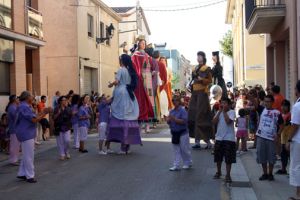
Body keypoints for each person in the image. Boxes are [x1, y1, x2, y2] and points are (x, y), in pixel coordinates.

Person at [107, 54, 141, 154]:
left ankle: (123, 147)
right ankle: (127, 147)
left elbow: (117, 82)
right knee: (128, 117)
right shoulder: (131, 71)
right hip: (129, 93)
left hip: (121, 93)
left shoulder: (121, 70)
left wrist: (110, 84)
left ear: (121, 61)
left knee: (120, 118)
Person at [15, 91, 51, 183]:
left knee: (26, 155)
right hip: (26, 133)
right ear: (27, 98)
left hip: (26, 132)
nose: (33, 98)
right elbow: (34, 119)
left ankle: (22, 173)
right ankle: (30, 176)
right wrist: (44, 113)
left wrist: (43, 112)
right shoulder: (24, 107)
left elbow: (35, 116)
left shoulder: (25, 106)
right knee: (29, 156)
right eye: (32, 96)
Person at [188, 51, 213, 149]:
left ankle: (208, 141)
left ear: (203, 57)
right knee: (192, 115)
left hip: (202, 94)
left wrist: (200, 79)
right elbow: (193, 80)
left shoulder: (207, 68)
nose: (198, 58)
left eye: (200, 56)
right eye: (197, 56)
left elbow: (210, 80)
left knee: (201, 116)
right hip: (194, 94)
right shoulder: (195, 68)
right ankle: (197, 142)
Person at [256, 95, 282, 181]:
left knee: (271, 156)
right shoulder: (262, 110)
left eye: (268, 101)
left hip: (271, 138)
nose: (266, 103)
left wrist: (277, 135)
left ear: (272, 102)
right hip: (261, 136)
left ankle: (270, 173)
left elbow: (281, 125)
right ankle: (265, 173)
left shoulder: (277, 112)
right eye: (265, 101)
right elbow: (255, 104)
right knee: (261, 155)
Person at [131, 38, 154, 132]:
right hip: (140, 79)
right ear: (138, 44)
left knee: (149, 101)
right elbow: (134, 66)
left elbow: (151, 66)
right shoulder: (135, 54)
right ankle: (140, 124)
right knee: (140, 101)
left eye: (144, 43)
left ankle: (147, 125)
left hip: (147, 78)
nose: (143, 44)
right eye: (141, 43)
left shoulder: (147, 55)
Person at [212, 97, 236, 183]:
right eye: (222, 103)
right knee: (218, 157)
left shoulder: (232, 112)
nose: (223, 105)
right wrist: (219, 112)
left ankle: (228, 175)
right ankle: (218, 172)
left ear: (229, 105)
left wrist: (224, 112)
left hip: (229, 139)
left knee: (228, 159)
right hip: (219, 138)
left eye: (225, 103)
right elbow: (213, 122)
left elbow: (228, 122)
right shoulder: (219, 112)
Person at [167, 96, 192, 171]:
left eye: (176, 100)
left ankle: (188, 162)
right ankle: (176, 165)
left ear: (179, 101)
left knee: (184, 149)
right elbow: (169, 121)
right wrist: (168, 120)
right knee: (176, 150)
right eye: (173, 101)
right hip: (174, 132)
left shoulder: (183, 110)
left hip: (183, 132)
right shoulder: (171, 111)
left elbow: (184, 121)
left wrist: (174, 119)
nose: (174, 102)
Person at [287, 80, 300, 200]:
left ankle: (298, 194)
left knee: (296, 166)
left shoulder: (297, 106)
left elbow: (295, 126)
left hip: (298, 141)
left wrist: (289, 139)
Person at [53, 96, 72, 161]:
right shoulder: (56, 108)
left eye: (65, 100)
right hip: (59, 126)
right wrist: (58, 112)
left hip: (67, 126)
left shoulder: (68, 108)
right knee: (60, 142)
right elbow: (54, 118)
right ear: (60, 101)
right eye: (63, 100)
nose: (65, 101)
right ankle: (62, 154)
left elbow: (70, 116)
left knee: (67, 141)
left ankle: (67, 151)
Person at [276, 99, 291, 175]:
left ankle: (291, 171)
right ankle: (283, 169)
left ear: (288, 107)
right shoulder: (280, 115)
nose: (283, 107)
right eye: (282, 106)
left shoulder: (290, 115)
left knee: (290, 155)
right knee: (283, 154)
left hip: (289, 138)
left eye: (285, 106)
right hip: (282, 138)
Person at [6, 95, 20, 165]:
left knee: (16, 145)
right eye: (17, 99)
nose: (18, 100)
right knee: (14, 145)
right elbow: (16, 117)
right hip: (14, 128)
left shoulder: (14, 107)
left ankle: (15, 159)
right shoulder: (12, 107)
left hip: (16, 128)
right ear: (14, 100)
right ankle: (13, 160)